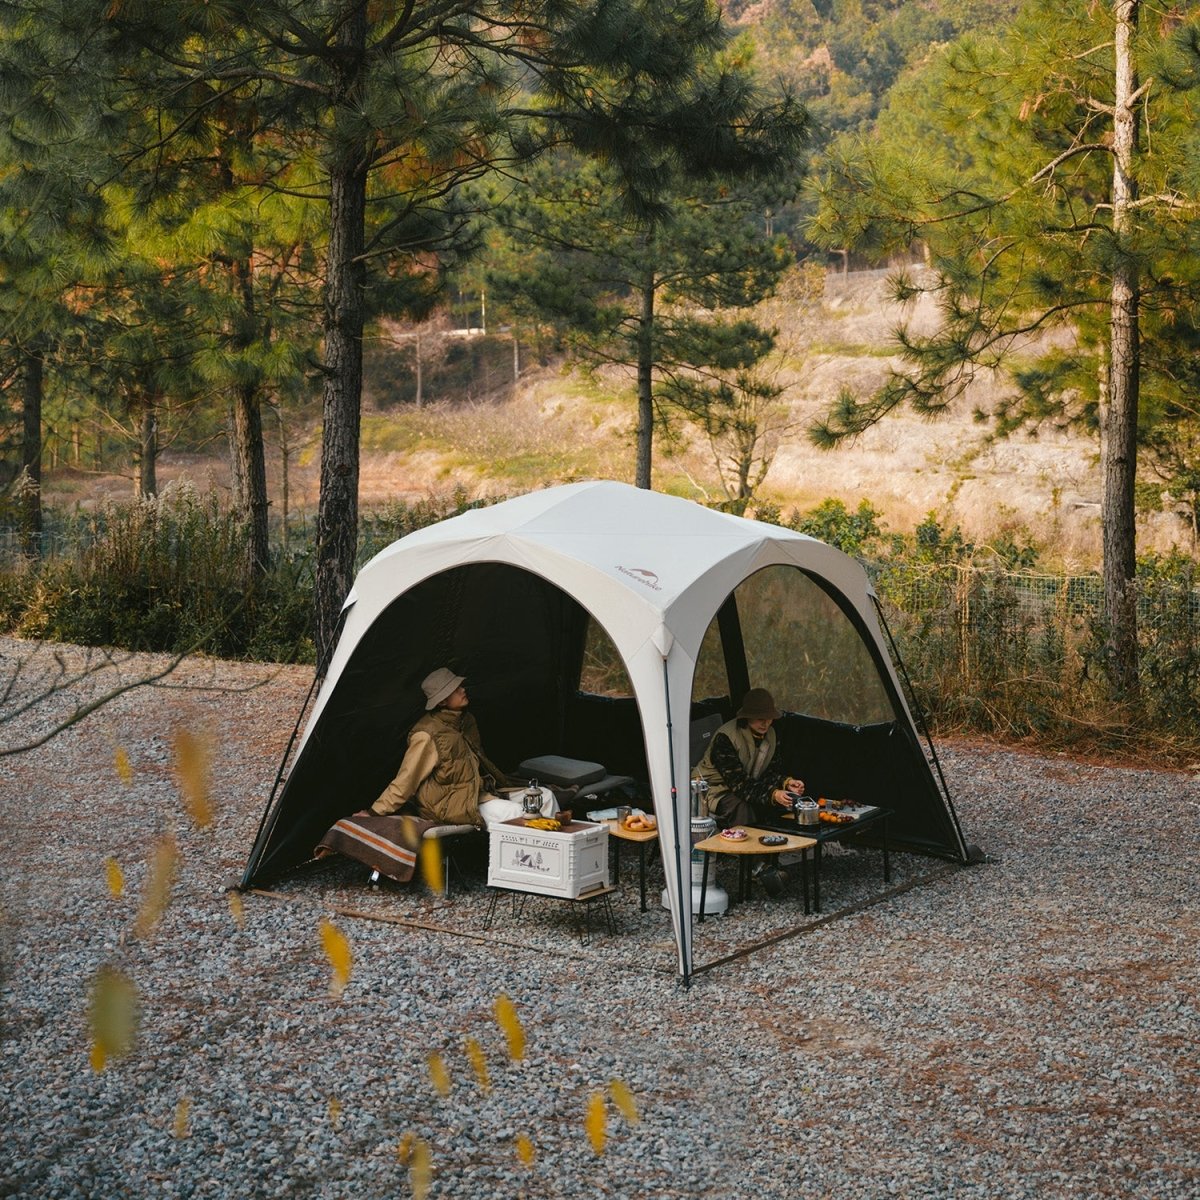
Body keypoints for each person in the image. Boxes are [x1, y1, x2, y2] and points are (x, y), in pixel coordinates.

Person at [369, 667, 557, 829]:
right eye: (455, 689)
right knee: (517, 813)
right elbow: (406, 780)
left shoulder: (467, 721)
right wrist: (374, 812)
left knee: (545, 797)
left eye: (460, 685)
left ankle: (554, 863)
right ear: (442, 701)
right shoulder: (427, 734)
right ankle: (527, 865)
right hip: (449, 803)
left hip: (479, 793)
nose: (462, 690)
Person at [694, 687, 804, 829]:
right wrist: (773, 794)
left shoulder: (771, 734)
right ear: (747, 717)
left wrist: (786, 783)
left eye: (769, 718)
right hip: (710, 790)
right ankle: (744, 849)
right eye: (760, 719)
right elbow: (739, 784)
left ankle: (771, 846)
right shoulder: (726, 737)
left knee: (776, 807)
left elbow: (769, 773)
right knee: (742, 807)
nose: (766, 723)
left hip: (745, 786)